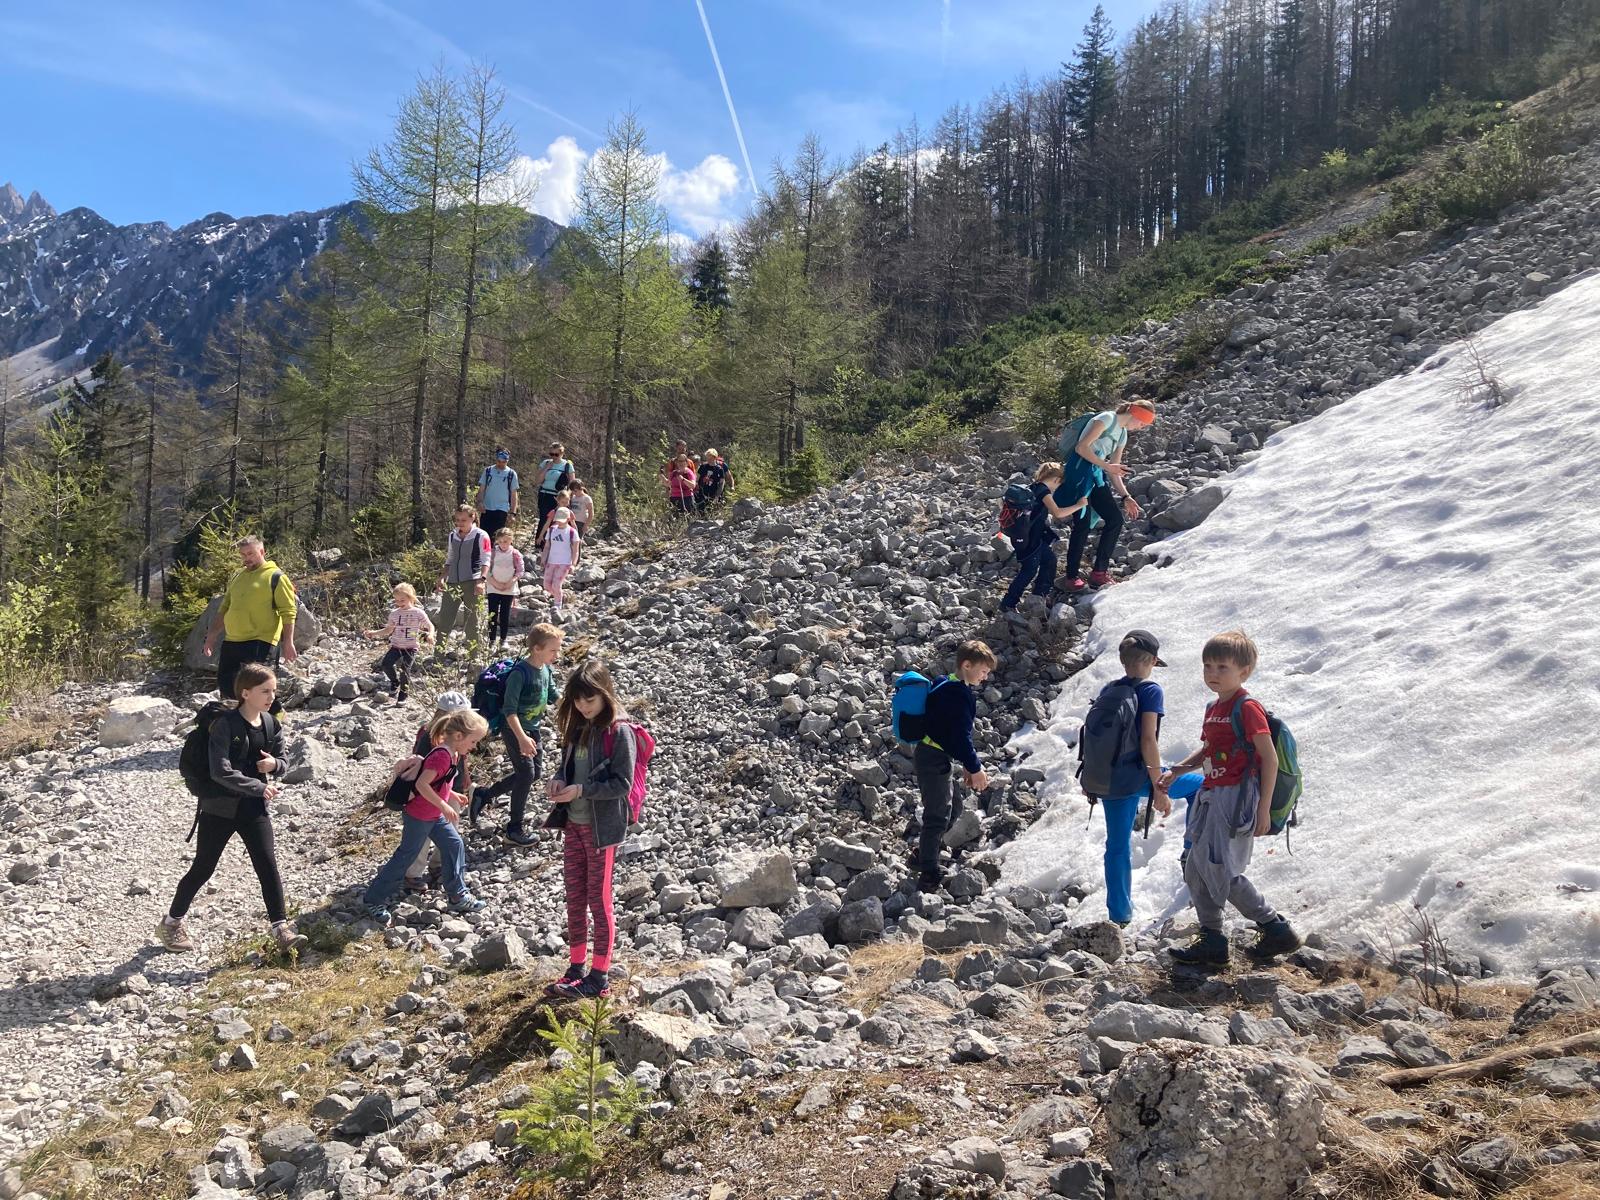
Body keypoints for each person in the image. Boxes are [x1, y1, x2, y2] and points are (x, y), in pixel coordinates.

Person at [1159, 630, 1301, 966]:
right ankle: (1213, 939)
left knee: (1221, 867)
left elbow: (1269, 758)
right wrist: (1177, 770)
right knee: (1195, 864)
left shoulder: (1247, 707)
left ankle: (1275, 927)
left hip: (1238, 795)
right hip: (1212, 793)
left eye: (1222, 667)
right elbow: (1209, 750)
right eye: (1208, 666)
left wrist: (1263, 809)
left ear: (1244, 671)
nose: (1213, 673)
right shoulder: (1214, 708)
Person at [156, 663, 301, 954]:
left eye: (273, 690)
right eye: (265, 691)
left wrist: (274, 764)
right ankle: (171, 923)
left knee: (267, 865)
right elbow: (219, 771)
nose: (271, 697)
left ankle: (281, 930)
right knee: (203, 868)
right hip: (219, 808)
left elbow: (284, 761)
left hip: (253, 808)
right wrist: (258, 785)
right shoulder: (225, 725)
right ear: (245, 693)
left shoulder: (271, 724)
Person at [541, 659, 638, 1000]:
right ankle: (576, 968)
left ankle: (599, 976)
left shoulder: (619, 731)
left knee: (599, 900)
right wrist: (558, 780)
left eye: (590, 699)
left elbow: (622, 784)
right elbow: (567, 769)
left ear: (605, 694)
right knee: (574, 898)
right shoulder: (577, 728)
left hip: (601, 831)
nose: (583, 706)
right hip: (573, 825)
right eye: (578, 700)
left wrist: (581, 790)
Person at [363, 708, 490, 924]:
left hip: (433, 814)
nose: (474, 746)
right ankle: (373, 899)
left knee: (454, 844)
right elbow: (422, 784)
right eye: (473, 741)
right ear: (459, 736)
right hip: (420, 815)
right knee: (406, 856)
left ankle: (457, 895)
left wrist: (452, 795)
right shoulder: (442, 756)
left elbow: (438, 783)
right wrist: (444, 805)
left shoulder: (453, 754)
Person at [1088, 631, 1173, 927]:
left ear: (1123, 661)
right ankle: (1191, 850)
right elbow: (1148, 740)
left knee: (1117, 846)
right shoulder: (1151, 691)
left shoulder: (1108, 690)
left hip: (1108, 780)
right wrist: (1159, 787)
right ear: (1153, 661)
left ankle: (1120, 915)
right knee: (1199, 786)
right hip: (1137, 777)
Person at [914, 640, 997, 893]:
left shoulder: (945, 682)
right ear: (967, 665)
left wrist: (967, 766)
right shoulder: (958, 695)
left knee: (955, 807)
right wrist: (975, 768)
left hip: (935, 755)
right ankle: (928, 872)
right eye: (983, 671)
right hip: (933, 757)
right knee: (938, 814)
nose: (985, 677)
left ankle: (925, 851)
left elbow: (948, 732)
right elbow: (960, 737)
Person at [472, 623, 563, 845]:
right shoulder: (519, 674)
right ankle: (514, 829)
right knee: (526, 773)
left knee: (535, 773)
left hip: (533, 728)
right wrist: (521, 738)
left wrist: (576, 712)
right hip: (514, 729)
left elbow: (554, 695)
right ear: (537, 649)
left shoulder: (546, 669)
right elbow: (509, 711)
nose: (557, 655)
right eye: (553, 650)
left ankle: (484, 794)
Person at [1054, 399, 1157, 595]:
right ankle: (1071, 577)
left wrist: (1126, 496)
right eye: (1142, 423)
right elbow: (1081, 448)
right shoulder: (1106, 419)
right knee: (1082, 525)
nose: (1141, 427)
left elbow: (1114, 470)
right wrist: (1107, 466)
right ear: (1135, 414)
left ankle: (1099, 573)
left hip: (1096, 475)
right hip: (1079, 474)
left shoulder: (1122, 435)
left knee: (1115, 520)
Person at [201, 535, 298, 711]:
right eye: (243, 554)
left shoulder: (276, 576)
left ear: (262, 551)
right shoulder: (238, 577)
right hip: (232, 641)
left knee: (259, 685)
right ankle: (237, 720)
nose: (247, 558)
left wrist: (288, 642)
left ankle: (274, 717)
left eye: (251, 553)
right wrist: (211, 637)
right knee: (228, 685)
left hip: (261, 640)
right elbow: (224, 609)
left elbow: (288, 611)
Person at [404, 691, 473, 895]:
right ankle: (412, 873)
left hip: (451, 788)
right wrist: (447, 796)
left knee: (451, 828)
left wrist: (465, 775)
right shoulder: (430, 737)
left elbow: (461, 757)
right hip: (431, 794)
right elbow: (424, 774)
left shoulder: (456, 734)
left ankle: (438, 865)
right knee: (423, 834)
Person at [1000, 463, 1087, 612]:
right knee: (1029, 571)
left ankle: (1040, 594)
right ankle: (1008, 603)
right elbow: (1058, 513)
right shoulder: (1044, 491)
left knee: (1050, 561)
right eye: (1058, 485)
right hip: (1030, 540)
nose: (1056, 488)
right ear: (1056, 480)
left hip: (1030, 537)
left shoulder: (1033, 486)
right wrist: (1079, 505)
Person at [363, 583, 434, 702]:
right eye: (396, 600)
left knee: (405, 670)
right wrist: (373, 633)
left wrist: (430, 635)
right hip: (396, 646)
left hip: (411, 648)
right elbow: (388, 630)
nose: (399, 603)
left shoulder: (418, 613)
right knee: (386, 664)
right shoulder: (394, 614)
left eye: (402, 600)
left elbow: (430, 625)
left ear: (410, 598)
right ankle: (394, 682)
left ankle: (404, 692)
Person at [436, 504, 490, 655]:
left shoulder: (481, 535)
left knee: (472, 621)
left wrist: (482, 580)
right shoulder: (452, 535)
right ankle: (438, 656)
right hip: (452, 582)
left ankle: (474, 656)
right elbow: (450, 559)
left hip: (473, 582)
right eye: (457, 520)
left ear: (473, 518)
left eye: (463, 520)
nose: (460, 523)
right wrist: (442, 577)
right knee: (445, 619)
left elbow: (486, 559)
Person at [484, 528, 525, 651]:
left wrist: (510, 582)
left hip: (509, 588)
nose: (503, 544)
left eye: (506, 541)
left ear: (511, 540)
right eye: (500, 541)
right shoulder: (492, 553)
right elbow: (486, 569)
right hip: (493, 587)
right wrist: (495, 583)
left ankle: (503, 639)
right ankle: (491, 640)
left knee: (504, 614)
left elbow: (520, 571)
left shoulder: (515, 554)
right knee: (492, 613)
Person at [540, 507, 581, 616]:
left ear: (568, 519)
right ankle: (560, 595)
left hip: (564, 563)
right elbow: (547, 546)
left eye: (562, 520)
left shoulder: (572, 532)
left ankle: (558, 605)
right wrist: (543, 559)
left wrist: (573, 564)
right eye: (558, 520)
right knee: (546, 585)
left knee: (556, 584)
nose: (559, 522)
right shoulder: (551, 530)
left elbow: (575, 550)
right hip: (551, 561)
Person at [473, 448, 520, 539]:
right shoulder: (488, 471)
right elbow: (481, 489)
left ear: (507, 460)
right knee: (484, 536)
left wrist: (513, 513)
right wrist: (479, 502)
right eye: (499, 461)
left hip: (502, 510)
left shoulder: (511, 474)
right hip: (486, 509)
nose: (501, 464)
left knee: (497, 538)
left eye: (504, 462)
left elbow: (514, 495)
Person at [534, 443, 575, 540]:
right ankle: (540, 542)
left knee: (558, 519)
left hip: (560, 497)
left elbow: (572, 484)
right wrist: (547, 468)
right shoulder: (545, 463)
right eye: (551, 454)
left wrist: (566, 497)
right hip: (545, 495)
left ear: (562, 454)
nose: (554, 457)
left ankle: (557, 541)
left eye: (556, 454)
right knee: (544, 519)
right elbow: (538, 480)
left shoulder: (567, 465)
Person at [694, 448, 732, 514]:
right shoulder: (703, 467)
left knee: (713, 513)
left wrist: (717, 496)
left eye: (710, 457)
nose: (708, 459)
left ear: (715, 457)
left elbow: (721, 484)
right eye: (707, 457)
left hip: (714, 495)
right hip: (702, 495)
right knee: (701, 512)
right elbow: (696, 479)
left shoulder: (719, 469)